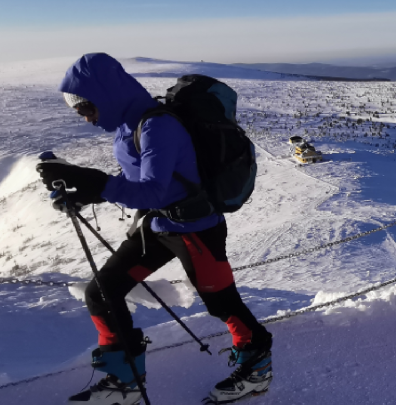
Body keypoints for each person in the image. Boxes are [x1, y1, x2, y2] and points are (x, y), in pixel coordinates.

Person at [36, 54, 272, 405]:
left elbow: (153, 190)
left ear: (107, 96)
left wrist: (96, 183)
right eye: (81, 113)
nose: (87, 119)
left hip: (196, 229)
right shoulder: (126, 126)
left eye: (88, 109)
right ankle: (124, 379)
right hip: (157, 225)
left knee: (222, 304)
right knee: (101, 293)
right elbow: (139, 185)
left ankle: (256, 369)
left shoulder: (158, 126)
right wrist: (86, 193)